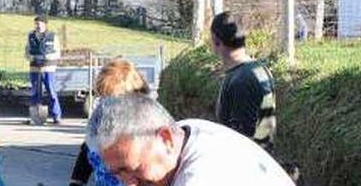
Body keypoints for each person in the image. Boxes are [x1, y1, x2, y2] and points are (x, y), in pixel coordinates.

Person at [86, 94, 293, 186]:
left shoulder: (201, 177)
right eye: (118, 173)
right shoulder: (184, 131)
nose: (128, 184)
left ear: (165, 138)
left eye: (133, 168)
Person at [70, 58, 150, 186]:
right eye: (103, 98)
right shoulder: (101, 119)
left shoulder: (144, 123)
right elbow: (87, 150)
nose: (106, 105)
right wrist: (77, 181)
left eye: (112, 99)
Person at [210, 11, 277, 151]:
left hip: (249, 165)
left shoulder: (242, 80)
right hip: (262, 159)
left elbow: (240, 141)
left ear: (216, 40)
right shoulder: (258, 69)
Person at [25, 14, 62, 124]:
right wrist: (31, 57)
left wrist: (46, 58)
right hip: (34, 67)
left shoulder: (52, 36)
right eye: (36, 23)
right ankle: (35, 116)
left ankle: (56, 116)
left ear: (45, 24)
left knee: (51, 91)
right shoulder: (30, 36)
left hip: (48, 68)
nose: (37, 25)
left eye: (40, 23)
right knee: (35, 91)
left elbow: (57, 52)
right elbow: (27, 50)